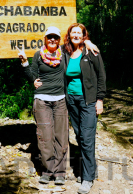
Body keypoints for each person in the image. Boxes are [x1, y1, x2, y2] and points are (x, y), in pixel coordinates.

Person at [16, 26, 99, 186]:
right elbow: (33, 75)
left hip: (61, 100)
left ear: (59, 40)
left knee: (61, 137)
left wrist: (87, 41)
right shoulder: (38, 55)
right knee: (45, 137)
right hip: (41, 101)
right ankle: (47, 171)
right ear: (45, 39)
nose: (52, 40)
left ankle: (60, 172)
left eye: (55, 37)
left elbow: (77, 44)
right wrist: (25, 63)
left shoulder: (64, 53)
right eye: (49, 37)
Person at [34, 23, 106, 194]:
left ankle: (87, 178)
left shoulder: (91, 51)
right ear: (69, 35)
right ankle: (92, 169)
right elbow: (47, 53)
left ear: (83, 35)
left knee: (87, 138)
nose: (75, 35)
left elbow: (101, 75)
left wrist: (100, 99)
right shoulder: (65, 53)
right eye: (73, 32)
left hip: (88, 100)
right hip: (71, 101)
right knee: (80, 136)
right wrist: (34, 78)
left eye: (79, 33)